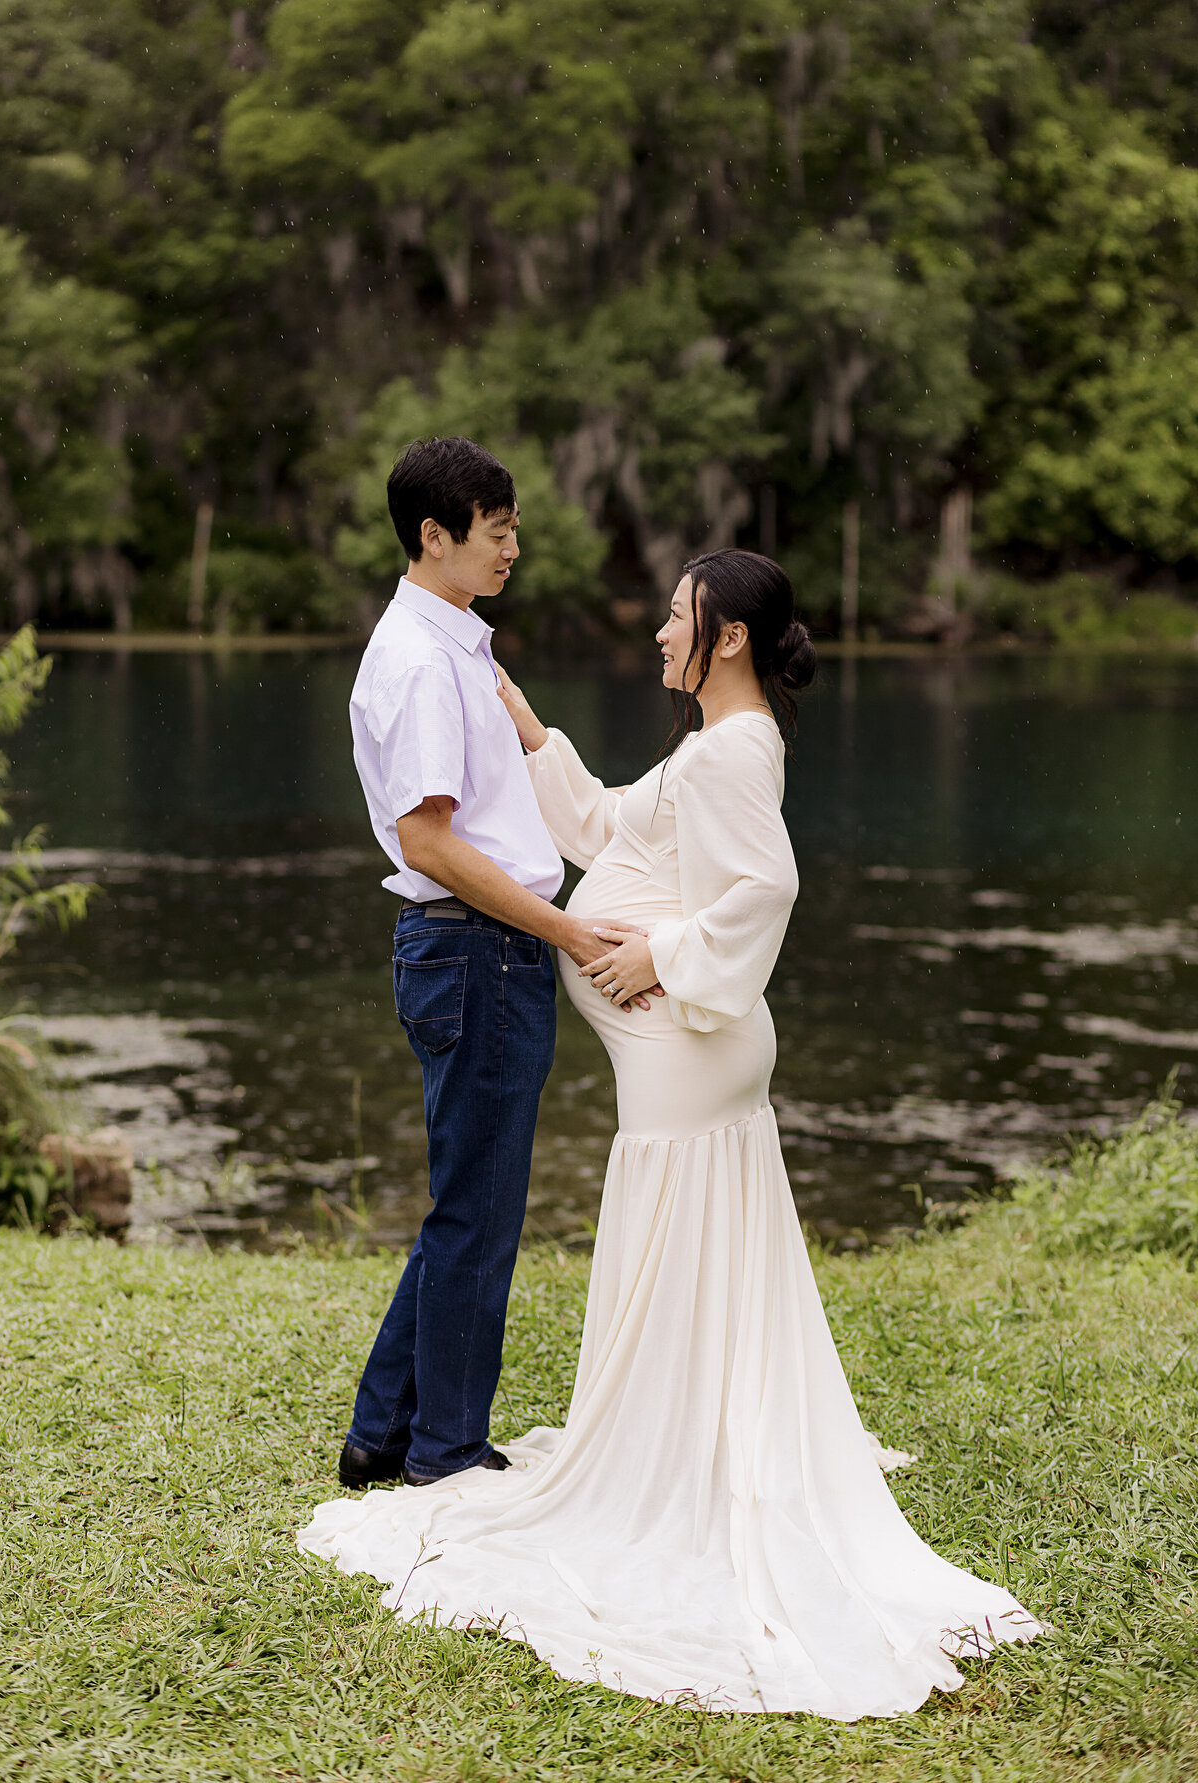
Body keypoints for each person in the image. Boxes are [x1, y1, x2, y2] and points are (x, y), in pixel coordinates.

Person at [302, 548, 1041, 1717]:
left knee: (666, 1249)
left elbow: (766, 889)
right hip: (695, 1060)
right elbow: (603, 823)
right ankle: (694, 1439)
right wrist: (526, 721)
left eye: (678, 617)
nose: (657, 632)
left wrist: (657, 955)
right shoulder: (712, 747)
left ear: (728, 637)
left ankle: (673, 1466)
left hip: (685, 1053)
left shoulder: (737, 751)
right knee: (691, 1261)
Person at [339, 435, 648, 1491]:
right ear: (437, 535)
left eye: (514, 524)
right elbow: (428, 842)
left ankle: (383, 1431)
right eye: (499, 527)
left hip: (482, 952)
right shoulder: (421, 661)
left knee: (465, 1198)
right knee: (479, 1208)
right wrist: (565, 931)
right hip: (479, 952)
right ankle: (446, 1454)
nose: (516, 544)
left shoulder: (456, 641)